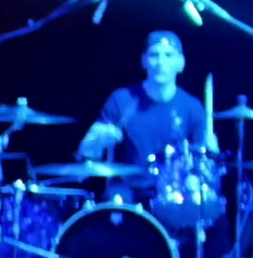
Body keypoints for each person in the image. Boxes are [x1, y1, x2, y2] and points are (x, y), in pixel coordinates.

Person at [78, 31, 217, 167]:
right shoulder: (120, 100)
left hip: (172, 181)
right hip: (126, 181)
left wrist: (211, 155)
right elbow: (85, 155)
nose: (160, 62)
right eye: (154, 55)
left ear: (181, 63)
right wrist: (93, 143)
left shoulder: (193, 108)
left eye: (168, 55)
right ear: (144, 61)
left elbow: (204, 162)